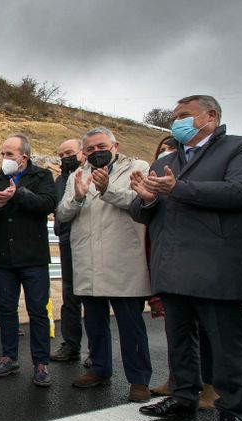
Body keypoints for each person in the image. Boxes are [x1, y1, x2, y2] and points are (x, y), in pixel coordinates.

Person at [131, 95, 242, 421]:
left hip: (215, 265)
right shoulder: (168, 159)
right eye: (173, 116)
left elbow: (239, 192)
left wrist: (178, 188)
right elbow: (141, 210)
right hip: (172, 264)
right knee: (179, 339)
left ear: (210, 116)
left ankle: (232, 411)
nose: (175, 121)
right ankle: (183, 395)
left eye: (184, 116)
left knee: (225, 345)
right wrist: (146, 197)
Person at [55, 128, 153, 402]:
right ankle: (99, 368)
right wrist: (76, 196)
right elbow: (62, 213)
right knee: (94, 322)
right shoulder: (77, 174)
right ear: (83, 152)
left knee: (130, 325)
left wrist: (106, 189)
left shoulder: (137, 167)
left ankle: (139, 380)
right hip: (87, 259)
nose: (96, 152)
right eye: (90, 149)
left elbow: (140, 200)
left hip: (123, 260)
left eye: (101, 146)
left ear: (115, 145)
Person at [0, 134, 57, 387]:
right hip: (3, 258)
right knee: (7, 310)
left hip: (33, 257)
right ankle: (9, 357)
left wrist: (18, 194)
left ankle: (41, 364)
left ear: (24, 157)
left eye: (9, 154)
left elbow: (47, 204)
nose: (4, 159)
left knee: (37, 311)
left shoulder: (42, 176)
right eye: (2, 154)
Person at [147, 137, 219, 409]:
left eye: (172, 150)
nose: (168, 155)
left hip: (198, 260)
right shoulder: (158, 175)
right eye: (163, 151)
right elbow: (146, 211)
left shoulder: (200, 178)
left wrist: (177, 188)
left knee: (204, 327)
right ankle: (179, 380)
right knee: (176, 326)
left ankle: (211, 386)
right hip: (166, 256)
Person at [49, 139, 86, 363]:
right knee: (69, 294)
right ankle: (71, 344)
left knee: (93, 297)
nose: (65, 157)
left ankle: (100, 351)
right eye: (61, 154)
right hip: (67, 241)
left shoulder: (92, 174)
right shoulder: (60, 180)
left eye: (69, 153)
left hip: (91, 242)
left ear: (82, 153)